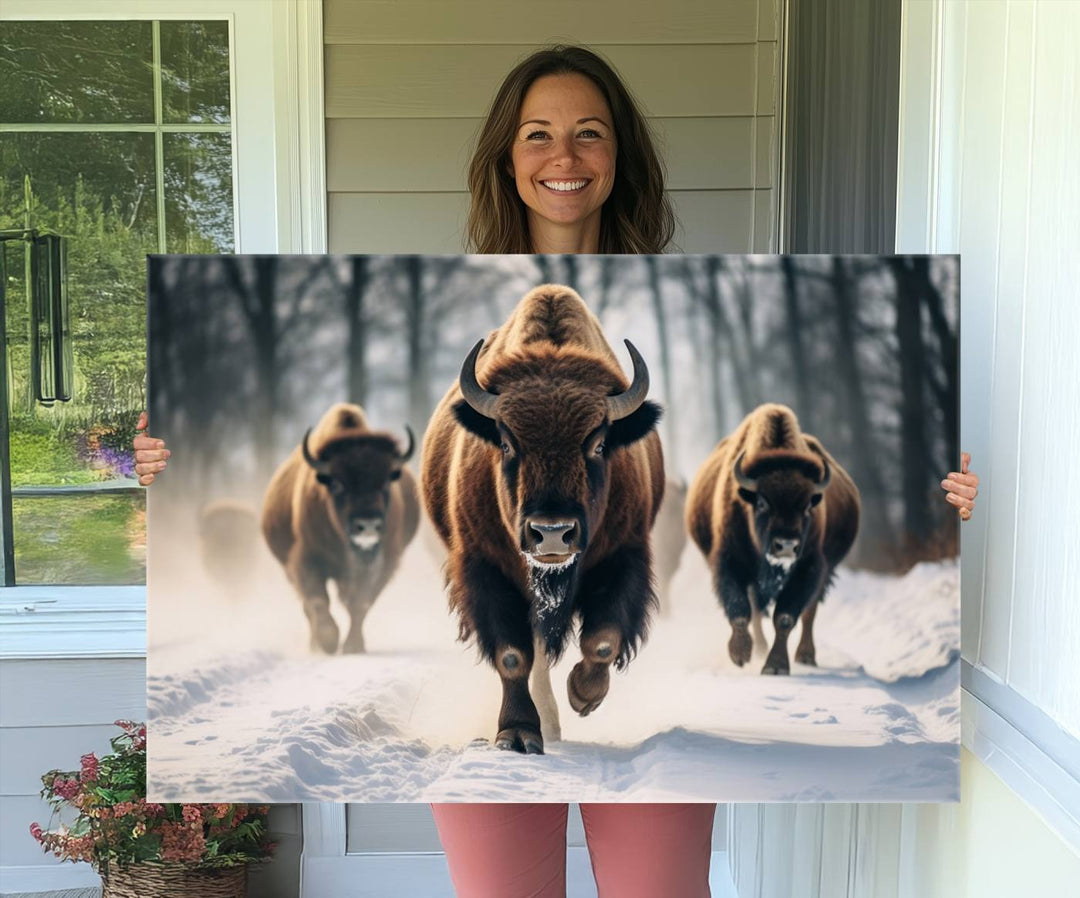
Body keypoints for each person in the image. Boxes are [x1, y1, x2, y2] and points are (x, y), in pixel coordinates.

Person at [134, 45, 979, 898]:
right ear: (507, 157)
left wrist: (961, 493)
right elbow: (472, 557)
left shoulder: (636, 389)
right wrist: (152, 463)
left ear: (621, 157)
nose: (564, 157)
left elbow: (631, 550)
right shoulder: (471, 410)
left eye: (590, 134)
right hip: (503, 573)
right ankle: (515, 676)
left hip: (599, 549)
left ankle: (599, 647)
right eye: (537, 135)